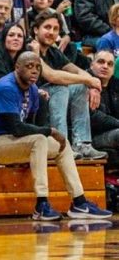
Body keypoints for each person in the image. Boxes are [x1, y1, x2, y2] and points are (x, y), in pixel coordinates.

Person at [0, 52, 110, 223]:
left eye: (37, 67)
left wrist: (47, 122)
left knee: (61, 144)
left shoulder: (33, 90)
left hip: (8, 141)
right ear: (17, 68)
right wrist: (49, 131)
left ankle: (79, 202)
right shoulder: (6, 88)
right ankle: (41, 205)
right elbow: (17, 128)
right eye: (29, 66)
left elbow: (34, 124)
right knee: (41, 139)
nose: (34, 71)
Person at [30, 9, 106, 162]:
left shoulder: (53, 51)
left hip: (51, 98)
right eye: (47, 27)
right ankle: (62, 145)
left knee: (79, 87)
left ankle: (82, 144)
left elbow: (76, 70)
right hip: (32, 98)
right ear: (36, 29)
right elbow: (51, 75)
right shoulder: (30, 48)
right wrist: (88, 80)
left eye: (55, 29)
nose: (51, 32)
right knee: (60, 88)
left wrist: (91, 84)